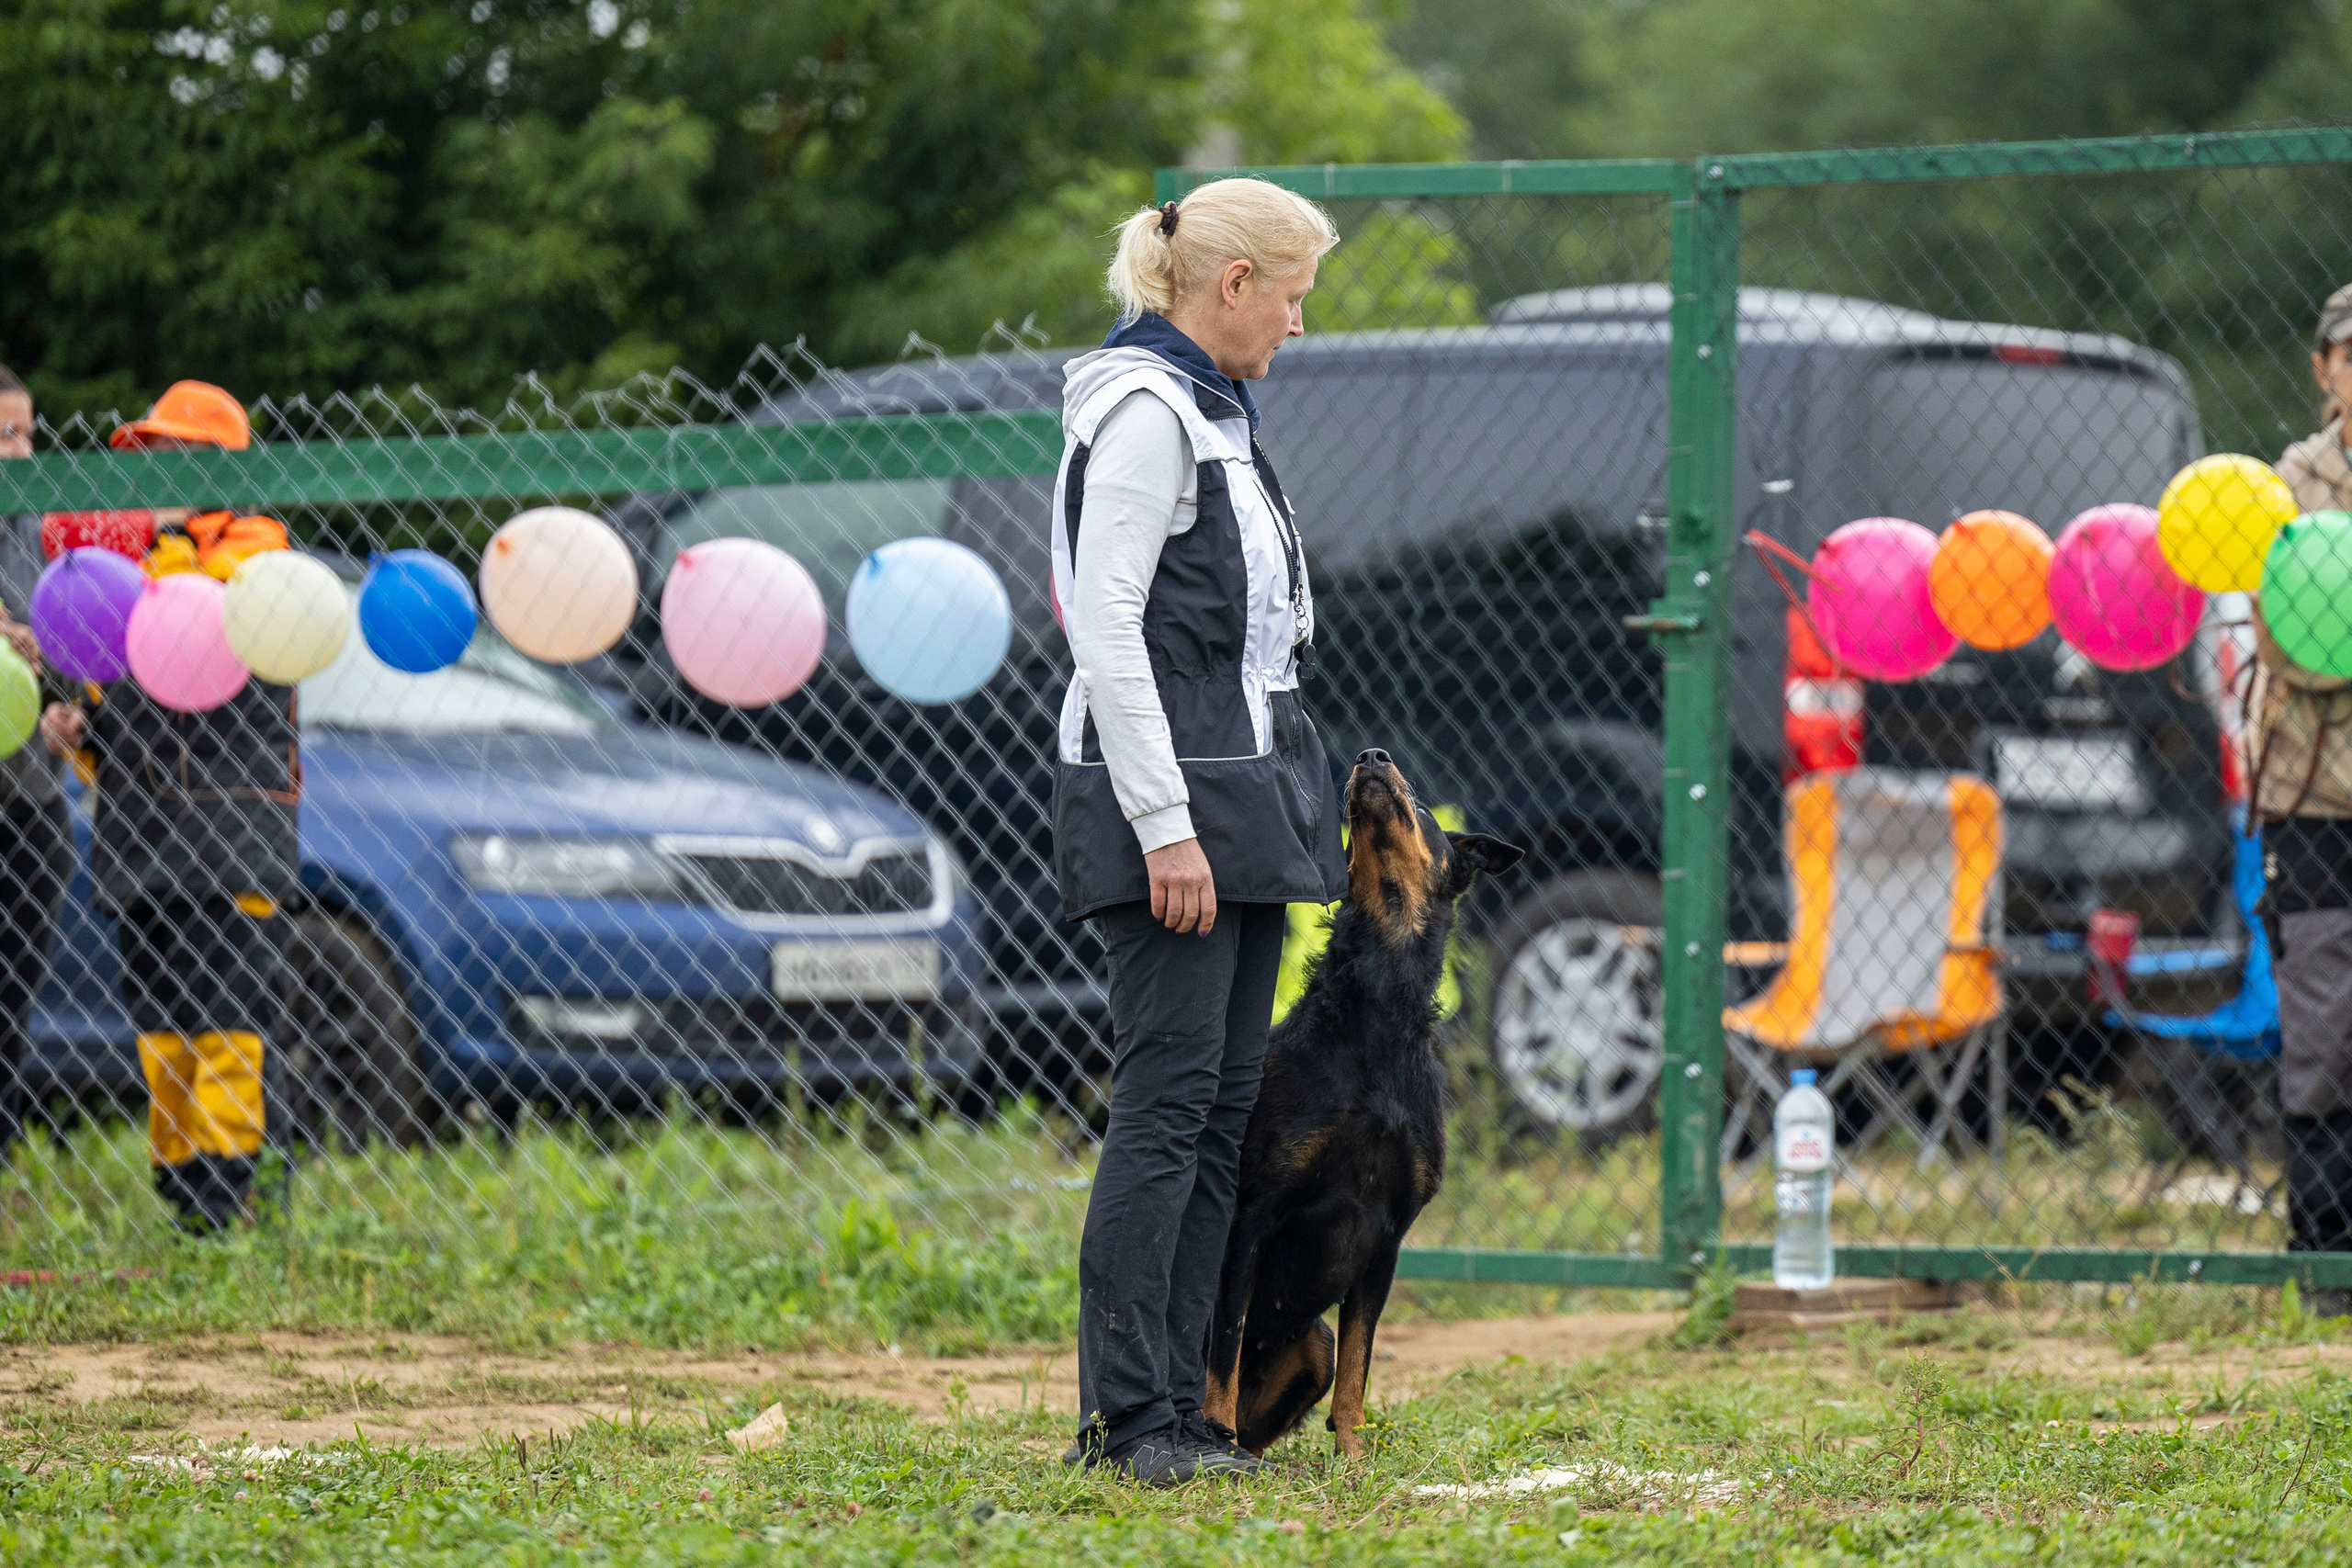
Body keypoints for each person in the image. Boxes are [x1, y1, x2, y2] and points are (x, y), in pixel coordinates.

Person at [1049, 178, 1347, 1484]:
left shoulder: (1215, 411)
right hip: (1168, 809)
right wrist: (1166, 828)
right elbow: (1106, 623)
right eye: (1292, 297)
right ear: (1230, 285)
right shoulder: (1145, 412)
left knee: (1224, 1109)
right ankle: (1127, 1420)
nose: (1296, 324)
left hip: (1245, 793)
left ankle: (1183, 1409)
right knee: (1167, 1109)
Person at [57, 381, 301, 1231]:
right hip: (141, 833)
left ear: (220, 468)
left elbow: (197, 642)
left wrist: (140, 587)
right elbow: (113, 688)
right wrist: (75, 719)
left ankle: (237, 1185)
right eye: (147, 455)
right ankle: (183, 1188)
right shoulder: (136, 565)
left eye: (171, 455)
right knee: (160, 1018)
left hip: (233, 832)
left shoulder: (258, 554)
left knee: (229, 1013)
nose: (151, 471)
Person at [2256, 284, 2352, 1310]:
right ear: (2323, 370)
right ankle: (2326, 1260)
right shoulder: (2283, 488)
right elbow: (2292, 646)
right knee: (2324, 1028)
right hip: (2313, 799)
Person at [0, 366, 83, 1159]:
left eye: (28, 432)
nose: (22, 450)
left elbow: (64, 639)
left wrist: (59, 699)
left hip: (29, 794)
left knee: (13, 987)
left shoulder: (35, 527)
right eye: (4, 434)